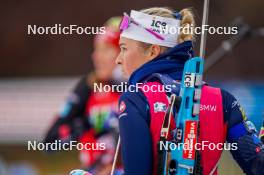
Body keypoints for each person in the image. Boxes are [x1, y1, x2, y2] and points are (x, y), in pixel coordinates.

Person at [115, 7, 264, 175]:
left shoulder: (136, 99)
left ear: (152, 51)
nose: (118, 59)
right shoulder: (223, 99)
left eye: (124, 48)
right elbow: (258, 165)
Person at [43, 16, 123, 175]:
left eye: (106, 50)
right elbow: (49, 143)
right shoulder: (88, 87)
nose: (96, 57)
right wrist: (81, 126)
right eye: (96, 49)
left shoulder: (140, 86)